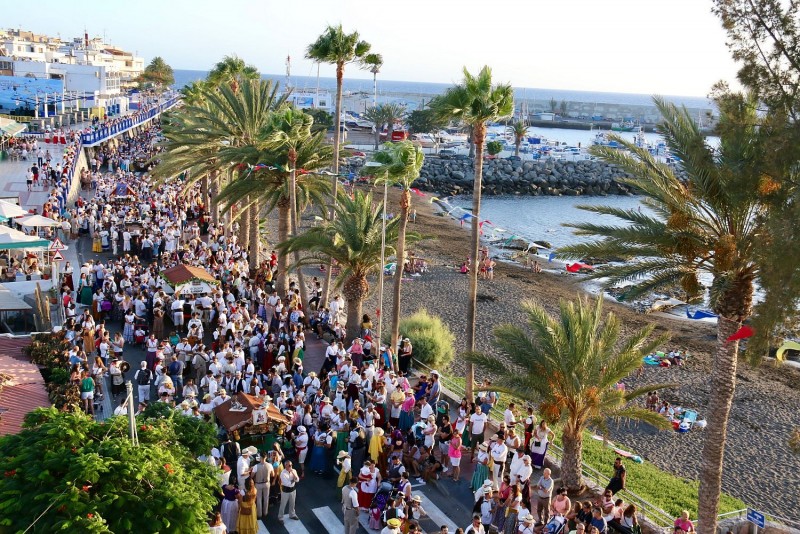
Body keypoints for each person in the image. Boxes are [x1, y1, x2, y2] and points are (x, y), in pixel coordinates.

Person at [252, 452, 273, 519]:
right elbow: (273, 474)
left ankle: (259, 514)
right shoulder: (269, 465)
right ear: (266, 457)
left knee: (259, 499)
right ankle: (265, 512)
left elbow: (252, 475)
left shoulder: (256, 466)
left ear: (260, 457)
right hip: (266, 483)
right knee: (266, 498)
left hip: (258, 484)